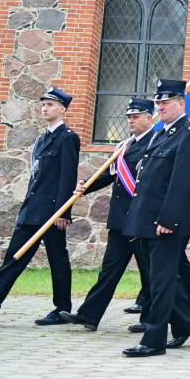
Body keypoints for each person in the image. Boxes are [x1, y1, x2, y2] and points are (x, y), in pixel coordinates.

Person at [0, 88, 80, 326]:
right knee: (13, 259)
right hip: (32, 211)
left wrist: (64, 212)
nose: (45, 108)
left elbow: (67, 176)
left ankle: (62, 309)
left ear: (62, 109)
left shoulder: (67, 137)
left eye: (51, 105)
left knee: (58, 260)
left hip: (51, 213)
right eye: (43, 104)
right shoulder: (42, 138)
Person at [120, 80, 190, 356]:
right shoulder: (160, 134)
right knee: (159, 279)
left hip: (167, 223)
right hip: (147, 219)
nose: (161, 107)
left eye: (166, 102)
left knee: (162, 281)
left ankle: (153, 341)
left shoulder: (188, 135)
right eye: (158, 103)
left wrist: (168, 220)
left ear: (181, 103)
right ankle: (186, 323)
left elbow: (182, 183)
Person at [61, 98, 156, 331]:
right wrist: (86, 185)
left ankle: (151, 320)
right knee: (109, 270)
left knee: (149, 272)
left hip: (142, 219)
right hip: (121, 220)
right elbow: (110, 174)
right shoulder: (125, 145)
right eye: (129, 117)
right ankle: (89, 315)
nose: (131, 121)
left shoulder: (156, 143)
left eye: (135, 117)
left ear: (149, 118)